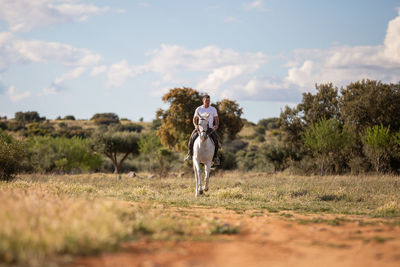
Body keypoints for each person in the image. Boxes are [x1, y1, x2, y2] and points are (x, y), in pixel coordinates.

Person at [184, 94, 220, 165]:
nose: (207, 102)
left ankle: (215, 157)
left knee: (216, 140)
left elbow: (216, 119)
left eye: (209, 101)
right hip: (200, 128)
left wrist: (216, 125)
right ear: (203, 101)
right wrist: (195, 125)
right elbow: (194, 119)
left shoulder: (213, 109)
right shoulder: (198, 109)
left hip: (209, 128)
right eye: (206, 100)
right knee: (191, 138)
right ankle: (190, 154)